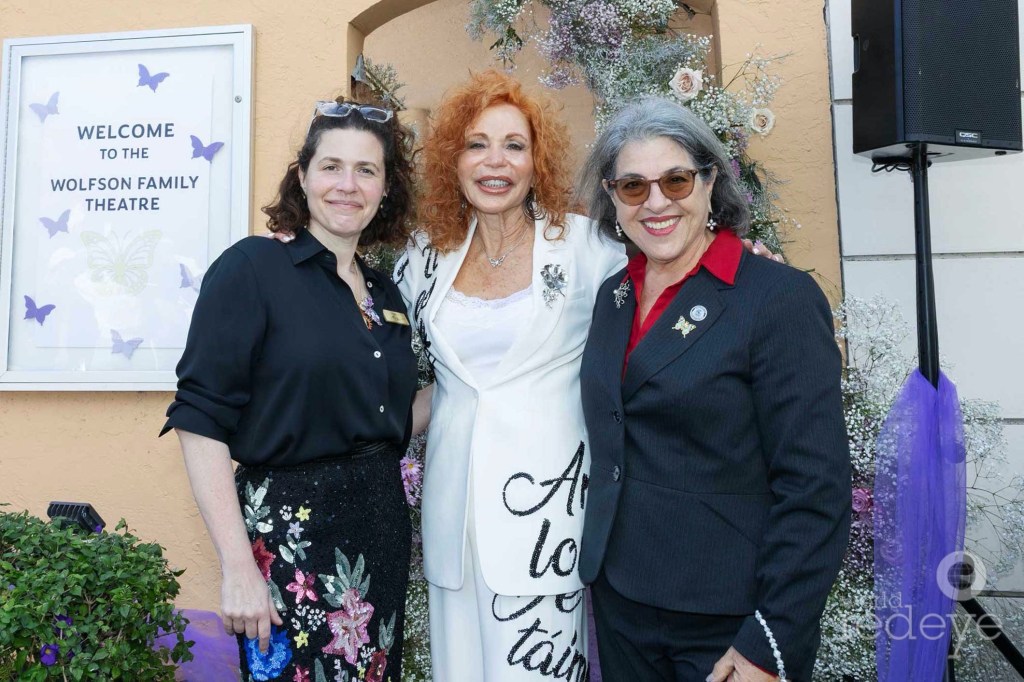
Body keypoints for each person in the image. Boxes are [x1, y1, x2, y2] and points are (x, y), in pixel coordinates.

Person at [576, 96, 851, 682]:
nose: (655, 203)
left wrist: (769, 642)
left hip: (728, 617)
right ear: (612, 198)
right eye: (632, 187)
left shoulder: (777, 298)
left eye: (676, 180)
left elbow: (816, 487)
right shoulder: (613, 298)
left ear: (710, 182)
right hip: (623, 599)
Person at [162, 99, 419, 681]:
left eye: (366, 170)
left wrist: (490, 390)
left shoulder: (385, 295)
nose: (346, 185)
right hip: (291, 541)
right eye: (330, 167)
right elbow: (200, 419)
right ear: (302, 177)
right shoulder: (252, 268)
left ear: (386, 189)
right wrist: (236, 567)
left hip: (379, 535)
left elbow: (392, 419)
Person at [393, 70, 626, 681]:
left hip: (548, 523)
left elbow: (667, 281)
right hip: (454, 526)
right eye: (477, 144)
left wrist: (737, 257)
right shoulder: (422, 258)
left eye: (513, 146)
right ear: (454, 158)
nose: (495, 162)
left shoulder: (588, 247)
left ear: (536, 160)